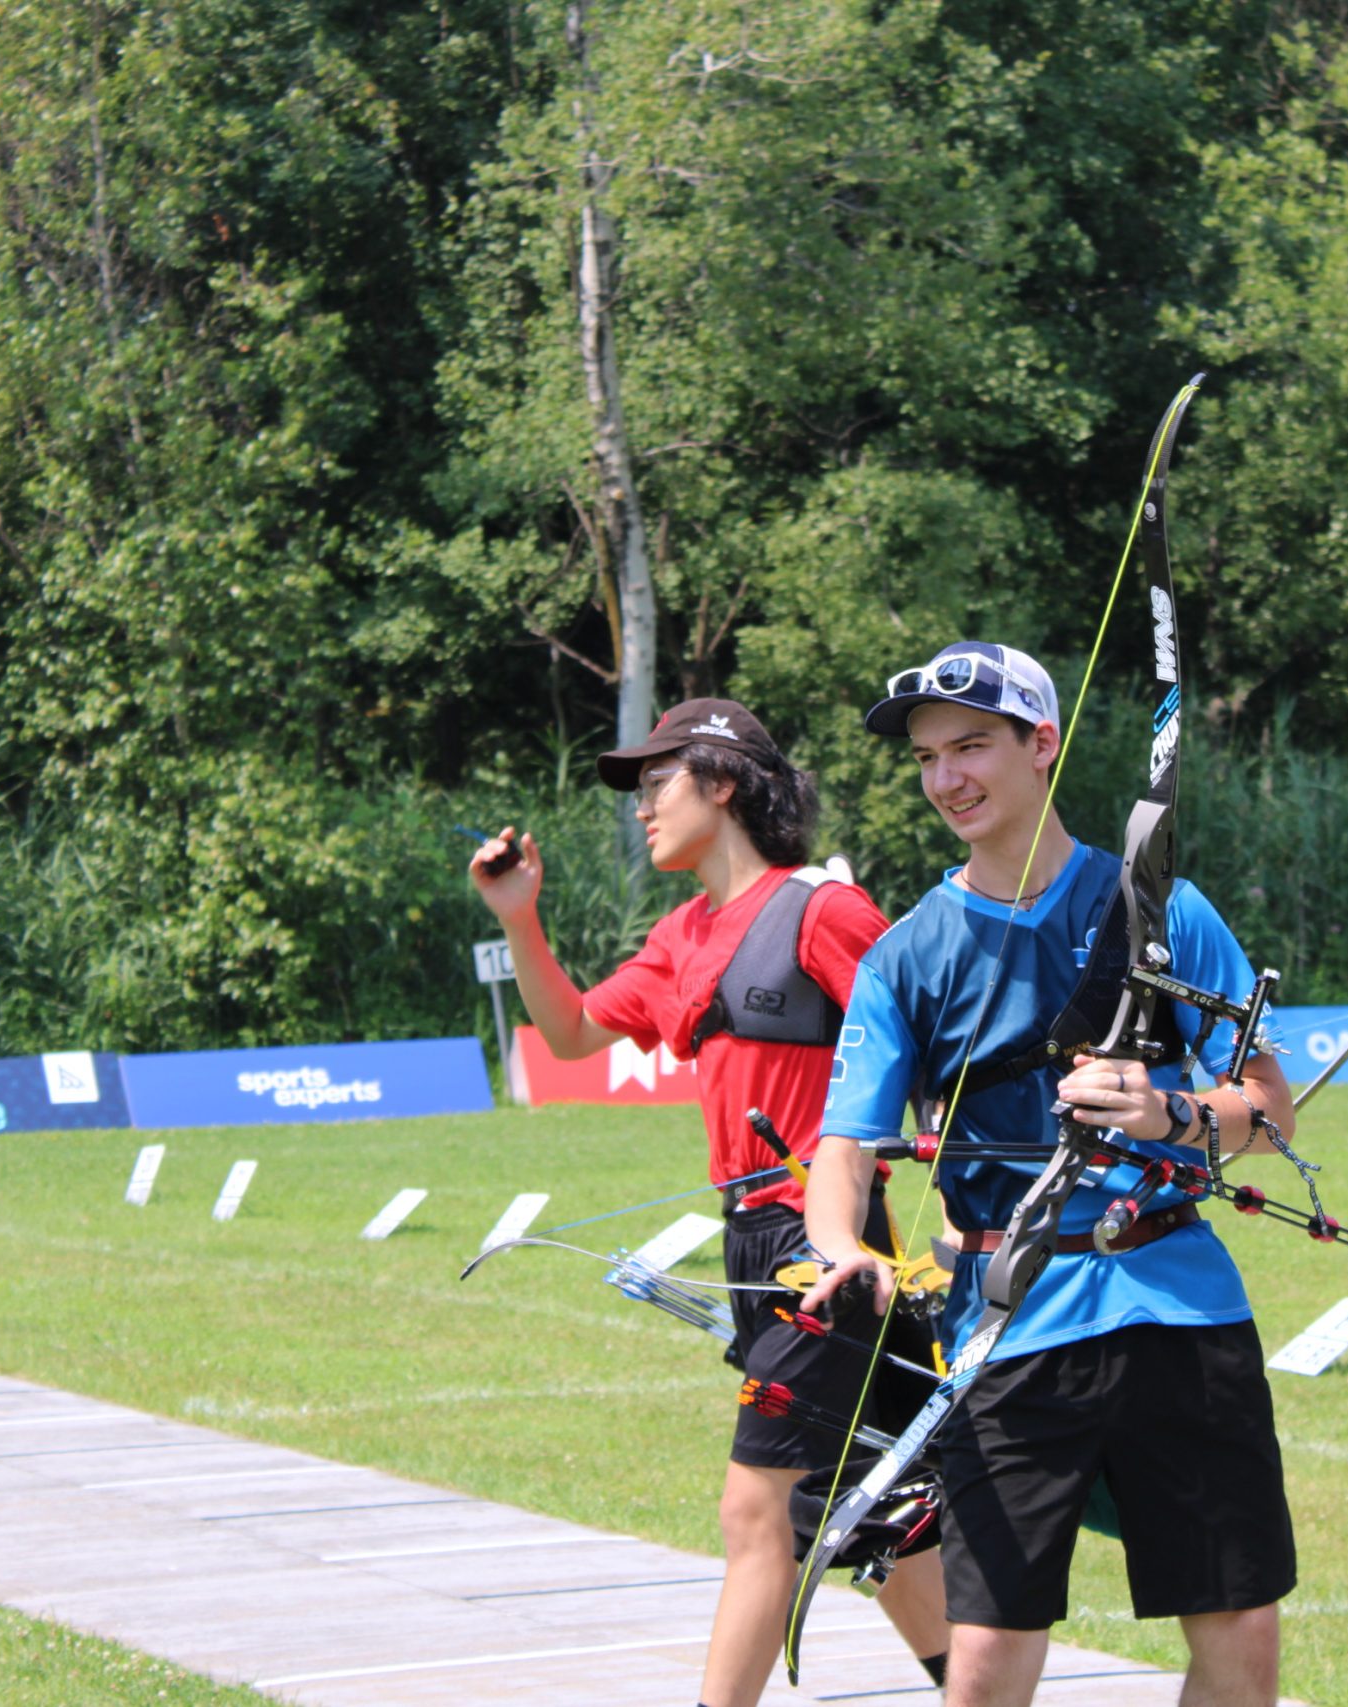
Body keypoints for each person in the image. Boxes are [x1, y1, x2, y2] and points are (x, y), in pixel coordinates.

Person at [801, 642, 1298, 1707]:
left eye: (971, 746)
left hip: (1179, 1307)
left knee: (1240, 1631)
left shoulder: (1162, 910)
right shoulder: (905, 954)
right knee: (984, 1659)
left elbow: (1264, 1110)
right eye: (929, 758)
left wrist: (1172, 1111)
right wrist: (841, 1246)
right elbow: (843, 1143)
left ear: (1041, 745)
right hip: (1008, 1327)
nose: (947, 780)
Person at [468, 697, 947, 1707]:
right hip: (752, 1241)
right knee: (856, 1505)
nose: (641, 808)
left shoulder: (821, 911)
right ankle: (976, 1688)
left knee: (757, 1507)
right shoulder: (680, 933)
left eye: (657, 785)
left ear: (722, 785)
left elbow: (935, 1041)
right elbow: (570, 1035)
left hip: (828, 1244)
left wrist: (967, 1194)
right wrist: (520, 918)